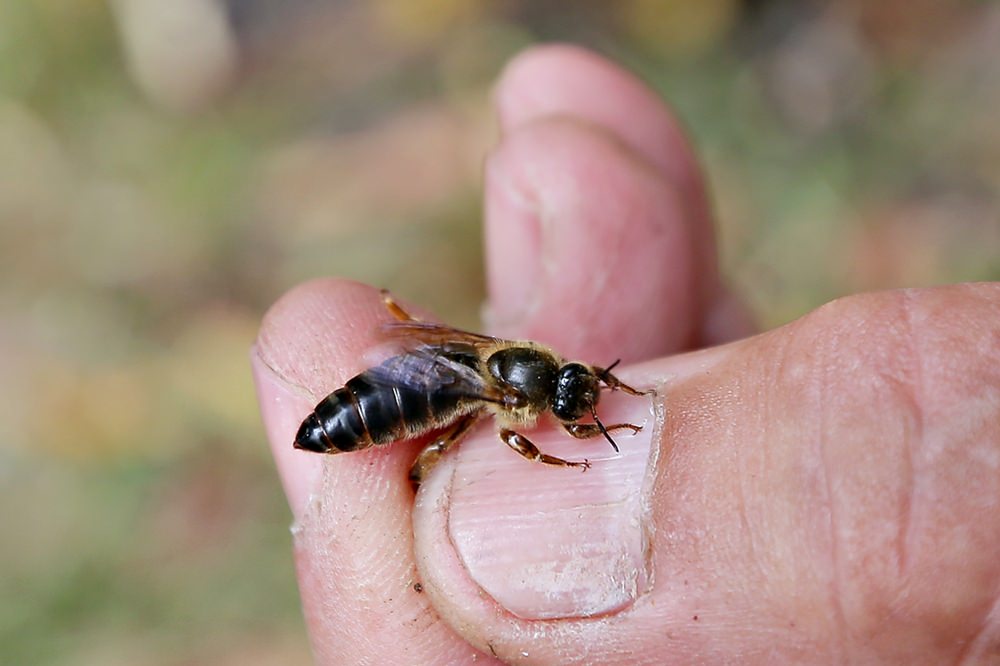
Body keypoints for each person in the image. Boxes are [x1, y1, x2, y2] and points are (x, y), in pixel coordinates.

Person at [251, 45, 1000, 664]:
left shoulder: (514, 363)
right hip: (393, 399)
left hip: (406, 379)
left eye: (583, 395)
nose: (585, 400)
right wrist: (573, 463)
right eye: (581, 399)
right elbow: (511, 434)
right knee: (425, 455)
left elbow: (411, 342)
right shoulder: (516, 401)